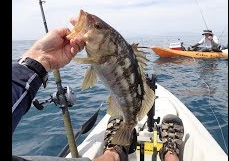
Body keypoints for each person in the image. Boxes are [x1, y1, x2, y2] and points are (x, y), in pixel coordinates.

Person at [12, 16, 184, 161]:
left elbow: (89, 79)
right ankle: (170, 154)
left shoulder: (102, 56)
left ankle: (114, 151)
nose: (89, 25)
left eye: (97, 27)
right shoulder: (102, 55)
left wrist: (40, 58)